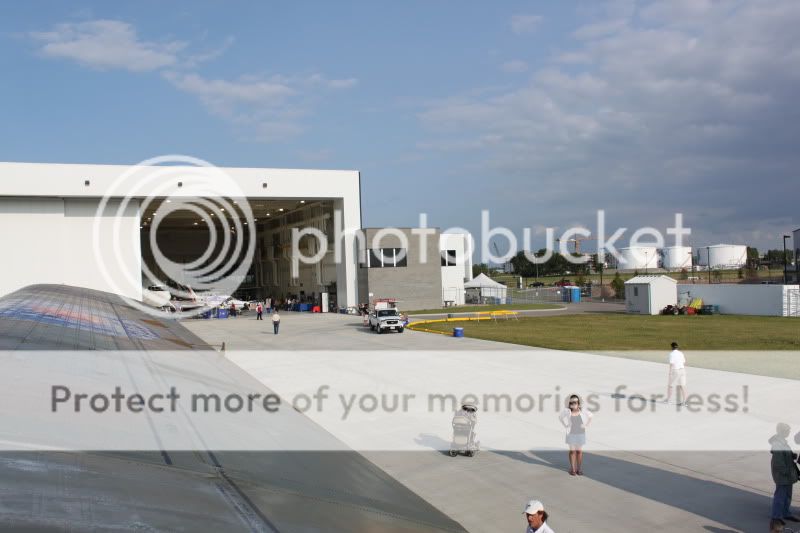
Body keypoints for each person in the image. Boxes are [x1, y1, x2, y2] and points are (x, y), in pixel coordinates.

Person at [770, 423, 799, 522]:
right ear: (782, 431)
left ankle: (786, 513)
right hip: (783, 475)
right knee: (780, 496)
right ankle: (776, 516)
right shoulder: (778, 444)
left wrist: (791, 455)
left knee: (787, 495)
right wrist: (787, 472)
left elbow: (784, 456)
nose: (789, 432)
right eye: (788, 430)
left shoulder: (783, 442)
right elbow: (779, 463)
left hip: (788, 474)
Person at [559, 394, 592, 476]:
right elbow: (560, 417)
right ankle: (573, 469)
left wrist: (586, 425)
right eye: (572, 402)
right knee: (572, 451)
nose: (574, 403)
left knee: (579, 451)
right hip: (571, 434)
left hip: (580, 433)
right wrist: (565, 425)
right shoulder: (567, 411)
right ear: (570, 402)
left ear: (578, 403)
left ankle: (579, 469)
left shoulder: (582, 410)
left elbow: (591, 416)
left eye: (576, 402)